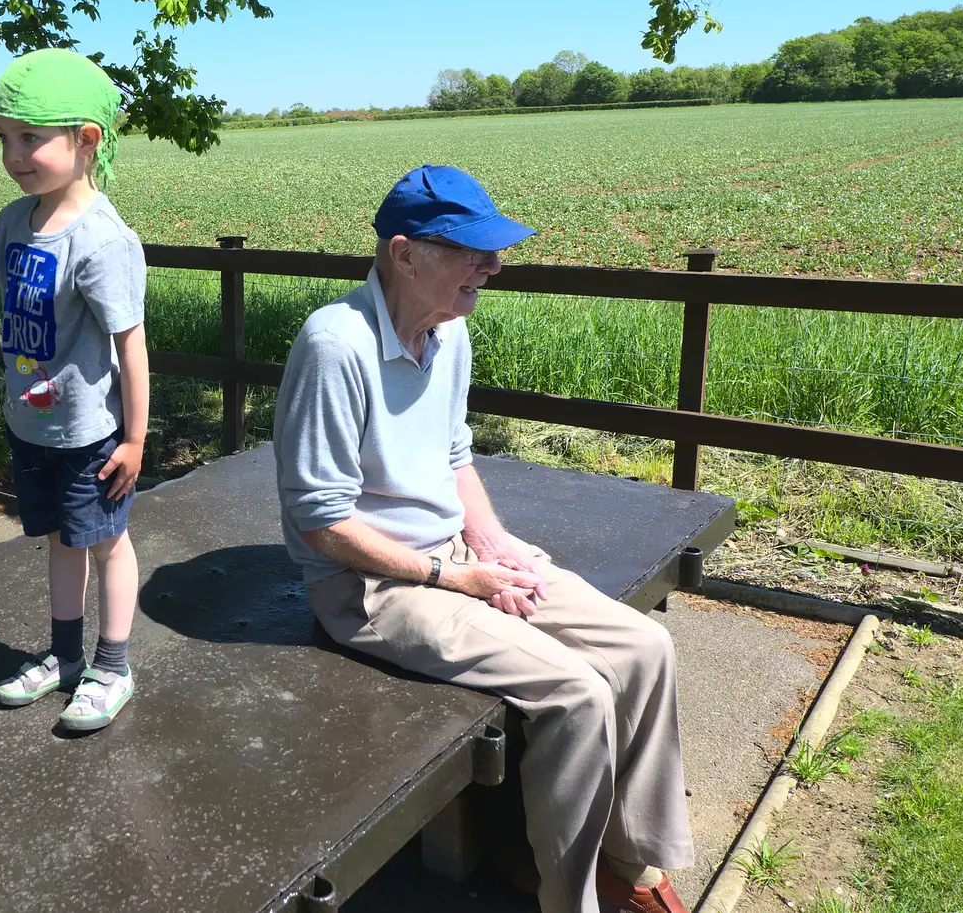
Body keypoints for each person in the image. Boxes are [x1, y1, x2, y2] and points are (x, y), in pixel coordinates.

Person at [273, 164, 694, 913]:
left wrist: (493, 544)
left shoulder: (450, 329)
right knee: (578, 694)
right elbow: (322, 521)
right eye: (472, 251)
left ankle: (631, 867)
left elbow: (453, 456)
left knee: (645, 648)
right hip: (371, 588)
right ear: (404, 254)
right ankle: (572, 902)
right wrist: (454, 579)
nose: (493, 268)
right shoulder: (335, 344)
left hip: (455, 557)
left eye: (493, 252)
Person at [0, 49, 148, 731]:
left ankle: (113, 665)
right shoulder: (14, 223)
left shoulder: (102, 240)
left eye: (30, 137)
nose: (14, 155)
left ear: (87, 140)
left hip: (92, 435)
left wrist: (135, 439)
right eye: (3, 139)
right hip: (33, 427)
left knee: (106, 540)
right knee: (59, 539)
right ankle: (64, 657)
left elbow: (130, 347)